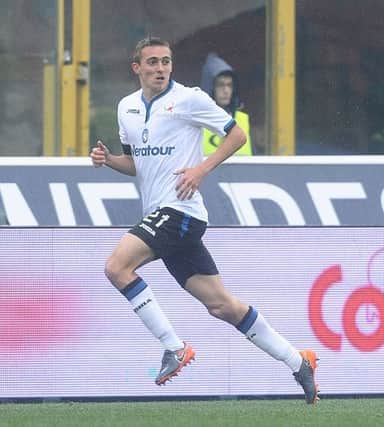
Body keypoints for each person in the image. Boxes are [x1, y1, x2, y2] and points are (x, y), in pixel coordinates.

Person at [90, 37, 319, 404]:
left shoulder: (189, 98)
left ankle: (174, 347)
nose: (160, 68)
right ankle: (298, 361)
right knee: (222, 306)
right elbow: (137, 165)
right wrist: (108, 160)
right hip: (161, 215)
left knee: (117, 267)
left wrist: (201, 169)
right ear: (137, 68)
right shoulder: (126, 108)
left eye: (166, 61)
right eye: (152, 62)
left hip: (182, 211)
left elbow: (238, 135)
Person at [200, 52, 253, 155]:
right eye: (221, 85)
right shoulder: (197, 122)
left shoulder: (243, 120)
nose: (226, 90)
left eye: (229, 85)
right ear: (210, 88)